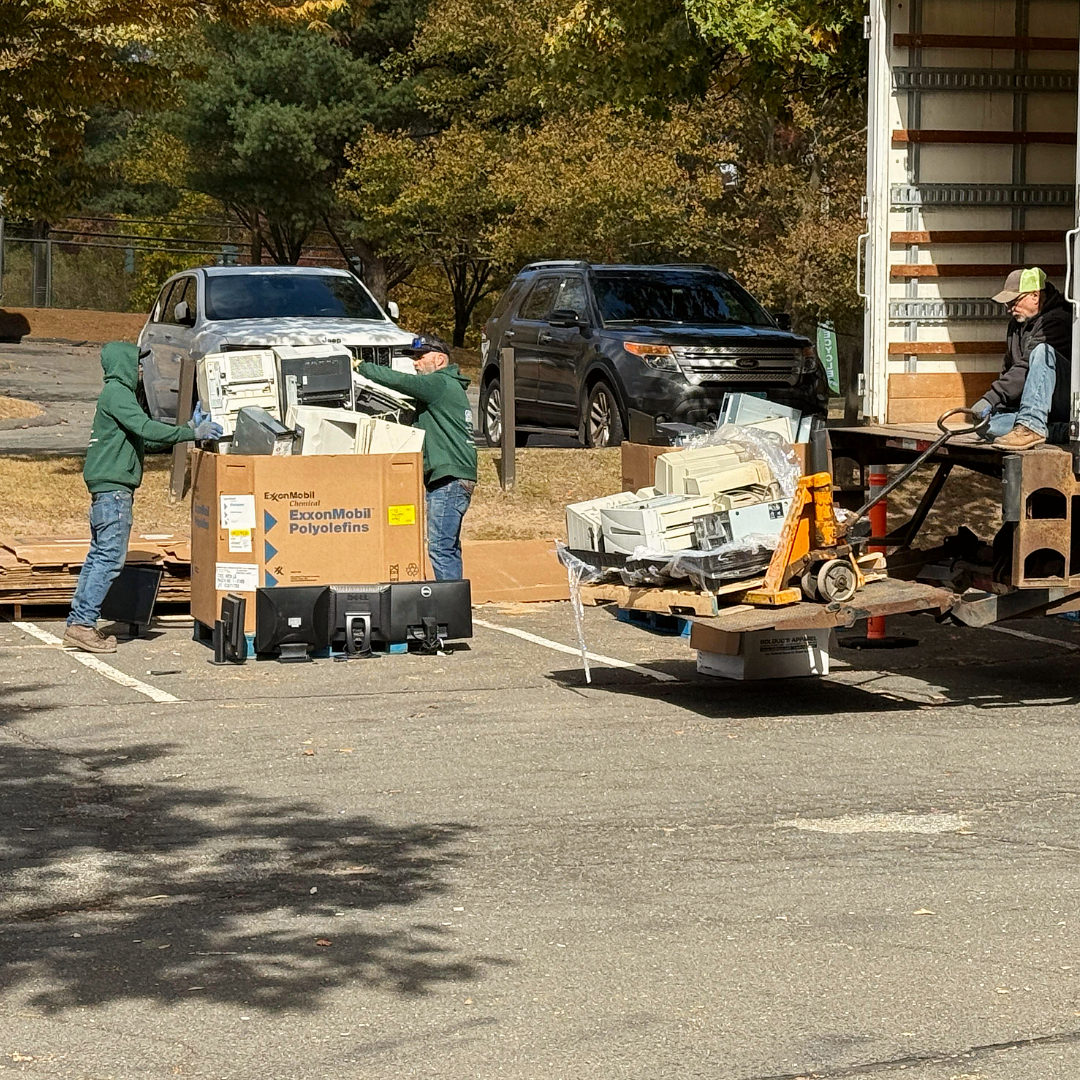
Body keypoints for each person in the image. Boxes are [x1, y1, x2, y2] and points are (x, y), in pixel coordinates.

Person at [64, 342, 221, 654]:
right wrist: (192, 432)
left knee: (98, 558)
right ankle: (82, 625)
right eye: (136, 364)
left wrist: (188, 427)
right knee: (109, 560)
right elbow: (147, 427)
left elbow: (145, 438)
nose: (140, 370)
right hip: (114, 495)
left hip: (107, 493)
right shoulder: (118, 394)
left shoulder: (115, 397)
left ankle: (78, 622)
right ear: (122, 365)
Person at [356, 334, 477, 580]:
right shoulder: (445, 388)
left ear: (440, 359)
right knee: (448, 547)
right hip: (454, 477)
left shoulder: (439, 383)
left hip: (448, 479)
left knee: (441, 548)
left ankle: (450, 607)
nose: (415, 363)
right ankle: (454, 602)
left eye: (421, 357)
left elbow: (400, 381)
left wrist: (361, 367)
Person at [971, 267, 1073, 450]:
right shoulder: (1016, 326)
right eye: (1007, 304)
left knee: (1043, 352)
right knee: (986, 426)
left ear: (1035, 295)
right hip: (1035, 405)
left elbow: (1024, 369)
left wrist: (991, 398)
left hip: (1064, 401)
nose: (1009, 308)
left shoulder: (1058, 321)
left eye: (1014, 302)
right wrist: (997, 407)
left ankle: (1031, 426)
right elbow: (1009, 370)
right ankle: (1058, 431)